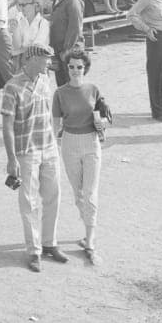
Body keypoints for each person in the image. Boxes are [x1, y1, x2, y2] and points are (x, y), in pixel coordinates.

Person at [1, 43, 68, 273]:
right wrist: (12, 159)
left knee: (53, 196)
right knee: (29, 202)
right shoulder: (12, 87)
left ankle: (50, 243)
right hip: (26, 150)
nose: (49, 63)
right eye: (45, 59)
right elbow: (7, 125)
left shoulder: (45, 81)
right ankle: (34, 250)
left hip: (48, 147)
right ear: (32, 59)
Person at [52, 49, 109, 264]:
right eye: (71, 67)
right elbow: (55, 124)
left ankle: (91, 240)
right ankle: (87, 232)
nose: (75, 70)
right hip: (69, 143)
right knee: (78, 194)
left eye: (79, 67)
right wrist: (53, 145)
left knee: (90, 192)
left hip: (91, 143)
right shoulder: (59, 93)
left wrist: (102, 123)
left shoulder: (93, 89)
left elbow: (103, 117)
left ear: (85, 69)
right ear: (67, 69)